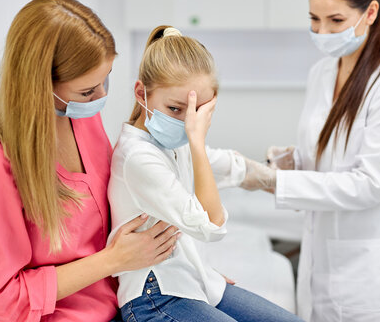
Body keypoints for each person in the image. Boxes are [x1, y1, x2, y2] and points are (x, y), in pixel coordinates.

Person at [0, 0, 179, 322]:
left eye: (104, 80)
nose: (101, 98)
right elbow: (3, 299)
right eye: (87, 92)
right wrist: (112, 261)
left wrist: (191, 272)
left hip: (128, 299)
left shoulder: (80, 116)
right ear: (39, 86)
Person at [107, 25, 303, 322]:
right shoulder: (139, 157)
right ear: (141, 93)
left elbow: (230, 166)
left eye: (196, 111)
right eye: (175, 109)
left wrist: (284, 183)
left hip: (195, 282)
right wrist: (197, 140)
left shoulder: (172, 145)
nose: (187, 122)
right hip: (154, 297)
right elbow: (210, 226)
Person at [265, 0, 380, 321]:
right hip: (319, 250)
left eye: (335, 21)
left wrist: (280, 183)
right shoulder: (321, 72)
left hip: (367, 264)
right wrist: (290, 163)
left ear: (370, 12)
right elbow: (323, 155)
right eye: (313, 20)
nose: (321, 32)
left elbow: (370, 183)